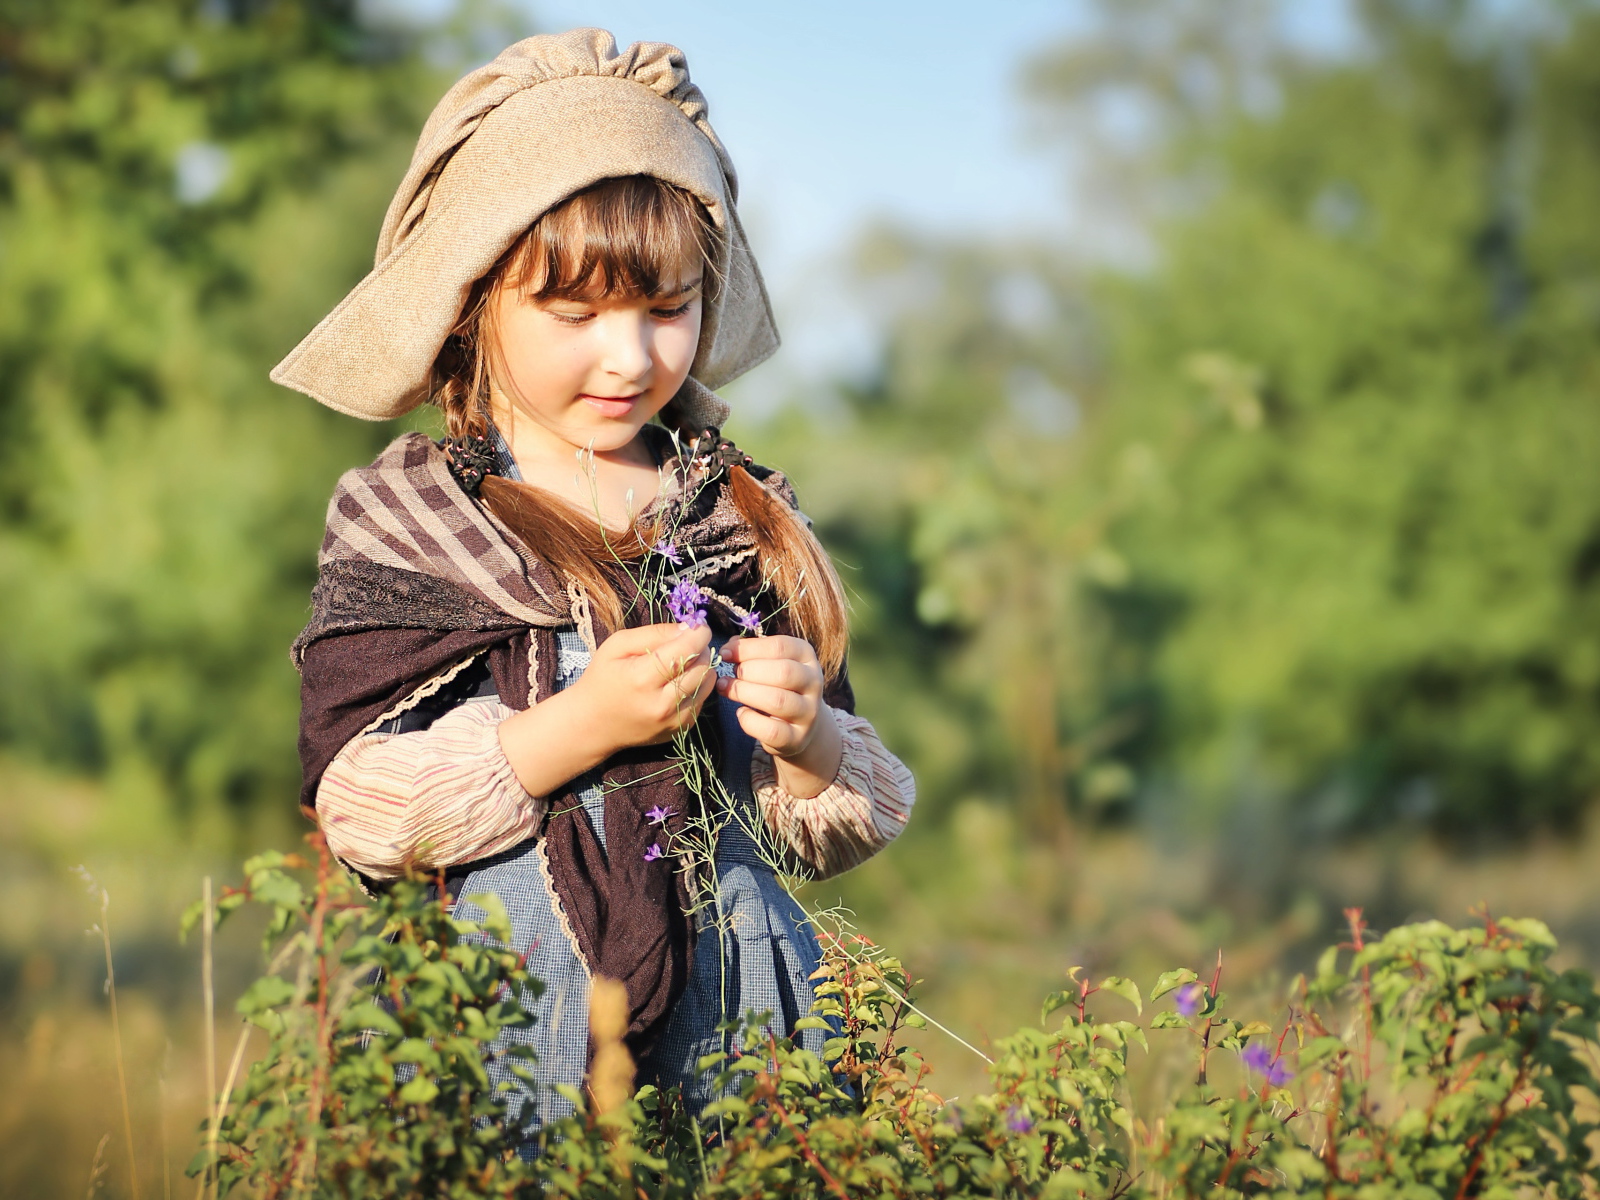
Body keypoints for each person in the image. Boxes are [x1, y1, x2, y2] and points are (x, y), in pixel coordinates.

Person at [276, 29, 916, 1142]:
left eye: (665, 309)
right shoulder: (414, 516)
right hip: (507, 1008)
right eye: (575, 315)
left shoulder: (732, 508)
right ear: (475, 300)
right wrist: (575, 727)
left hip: (743, 1014)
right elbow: (360, 809)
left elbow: (835, 828)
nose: (629, 358)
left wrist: (805, 738)